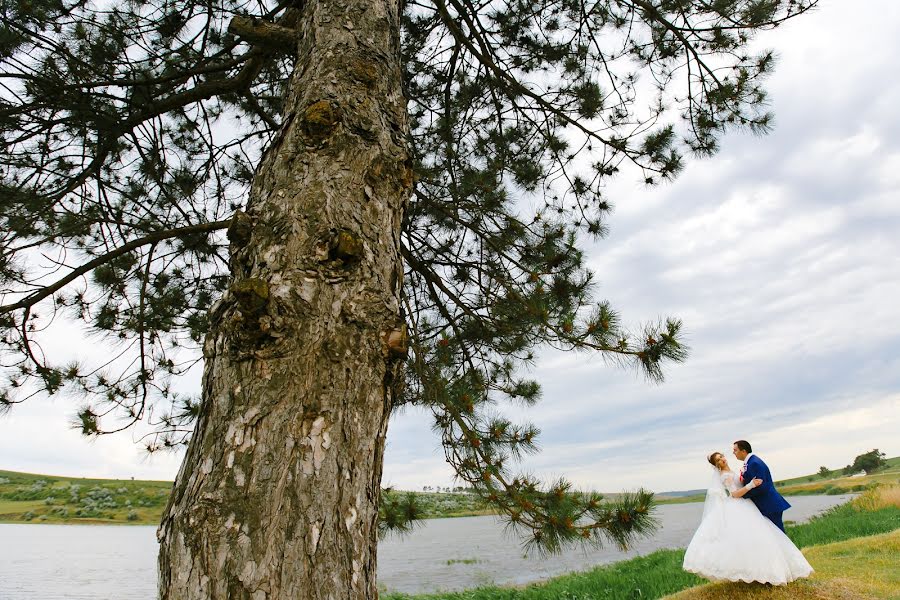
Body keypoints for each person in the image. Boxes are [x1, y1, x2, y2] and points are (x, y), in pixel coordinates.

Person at [682, 452, 813, 584]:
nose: (722, 459)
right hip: (739, 505)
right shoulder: (724, 476)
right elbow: (734, 494)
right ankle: (755, 572)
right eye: (718, 460)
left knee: (762, 534)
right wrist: (751, 485)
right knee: (748, 538)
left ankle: (770, 570)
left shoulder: (731, 471)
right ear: (717, 465)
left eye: (722, 456)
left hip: (748, 505)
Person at [733, 440, 791, 532]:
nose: (733, 453)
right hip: (767, 505)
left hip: (769, 505)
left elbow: (761, 487)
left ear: (743, 451)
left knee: (779, 534)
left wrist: (743, 495)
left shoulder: (754, 463)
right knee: (774, 534)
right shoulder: (750, 462)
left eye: (735, 450)